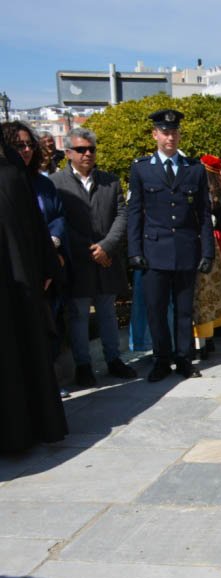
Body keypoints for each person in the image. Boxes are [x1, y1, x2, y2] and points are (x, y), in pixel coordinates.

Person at [126, 108, 214, 382]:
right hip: (154, 251)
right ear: (155, 135)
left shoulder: (194, 169)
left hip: (186, 249)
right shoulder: (141, 169)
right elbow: (134, 213)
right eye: (164, 132)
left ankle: (183, 359)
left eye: (174, 132)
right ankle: (161, 359)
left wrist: (207, 251)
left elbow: (203, 214)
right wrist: (135, 251)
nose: (170, 137)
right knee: (156, 309)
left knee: (185, 310)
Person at [51, 127, 137, 387]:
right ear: (68, 153)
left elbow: (122, 215)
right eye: (81, 150)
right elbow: (59, 221)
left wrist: (107, 247)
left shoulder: (109, 181)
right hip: (78, 262)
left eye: (91, 149)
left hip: (107, 260)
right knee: (78, 315)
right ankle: (84, 365)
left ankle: (113, 359)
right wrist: (91, 250)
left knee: (107, 312)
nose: (87, 154)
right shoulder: (56, 183)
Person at [0, 142, 68, 452]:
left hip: (19, 287)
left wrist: (45, 265)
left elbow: (35, 225)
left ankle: (29, 429)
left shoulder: (11, 170)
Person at [4, 122, 70, 387]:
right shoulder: (8, 181)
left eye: (30, 144)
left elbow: (56, 216)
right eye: (20, 145)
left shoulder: (42, 183)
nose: (27, 150)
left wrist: (52, 243)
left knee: (50, 327)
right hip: (18, 275)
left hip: (46, 267)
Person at [192, 155, 221, 360]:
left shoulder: (208, 192)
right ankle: (212, 333)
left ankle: (205, 339)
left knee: (203, 292)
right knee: (210, 289)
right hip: (215, 241)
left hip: (208, 241)